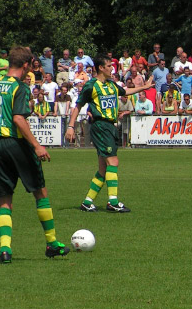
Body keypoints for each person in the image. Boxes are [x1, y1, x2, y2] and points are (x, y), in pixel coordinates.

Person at [0, 46, 68, 263]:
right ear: (26, 65)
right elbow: (18, 119)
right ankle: (52, 243)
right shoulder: (20, 87)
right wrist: (37, 145)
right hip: (15, 143)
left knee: (5, 200)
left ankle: (5, 249)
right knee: (40, 192)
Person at [65, 54, 154, 213]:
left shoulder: (112, 85)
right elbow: (78, 105)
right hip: (101, 126)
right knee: (113, 162)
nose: (112, 68)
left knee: (103, 169)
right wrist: (71, 126)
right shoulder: (91, 86)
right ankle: (113, 201)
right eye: (109, 66)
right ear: (100, 68)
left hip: (110, 127)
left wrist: (144, 87)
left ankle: (87, 201)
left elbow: (126, 91)